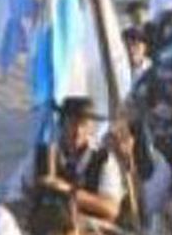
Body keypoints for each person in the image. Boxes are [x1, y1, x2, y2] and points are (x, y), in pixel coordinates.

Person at [20, 96, 127, 226]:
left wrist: (68, 192)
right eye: (72, 124)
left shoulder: (104, 159)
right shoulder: (41, 155)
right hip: (46, 228)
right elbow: (18, 194)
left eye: (84, 125)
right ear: (62, 124)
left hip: (90, 232)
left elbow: (111, 209)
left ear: (92, 128)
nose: (78, 131)